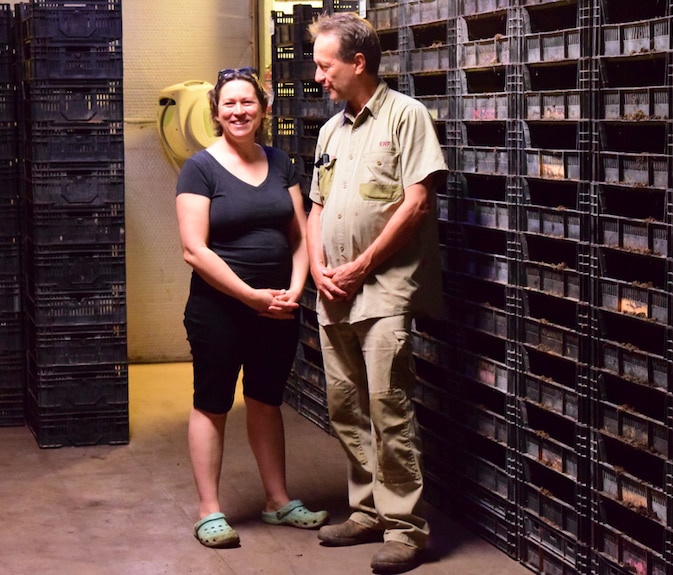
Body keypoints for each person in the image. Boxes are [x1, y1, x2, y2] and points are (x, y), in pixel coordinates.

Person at [306, 13, 448, 574]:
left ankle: (406, 528)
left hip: (384, 291)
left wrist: (361, 264)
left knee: (389, 409)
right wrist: (319, 266)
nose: (318, 76)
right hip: (333, 292)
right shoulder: (330, 131)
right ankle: (365, 510)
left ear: (357, 62)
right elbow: (317, 205)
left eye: (324, 65)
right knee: (344, 407)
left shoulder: (406, 116)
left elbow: (417, 203)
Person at [175, 67, 328, 548]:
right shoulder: (199, 168)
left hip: (278, 307)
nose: (238, 111)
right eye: (229, 104)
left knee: (266, 399)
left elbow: (300, 235)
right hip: (219, 308)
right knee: (212, 402)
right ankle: (209, 511)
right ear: (216, 113)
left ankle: (278, 500)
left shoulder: (281, 162)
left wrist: (294, 290)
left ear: (263, 109)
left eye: (247, 103)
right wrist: (249, 295)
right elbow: (194, 250)